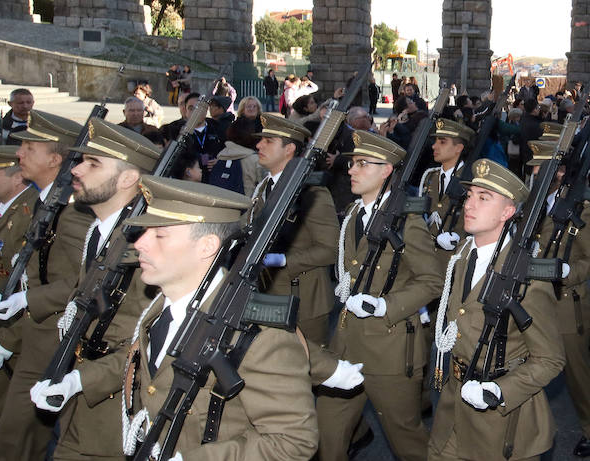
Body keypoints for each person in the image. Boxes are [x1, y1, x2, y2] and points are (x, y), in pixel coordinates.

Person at [117, 176, 320, 459]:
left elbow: (293, 441)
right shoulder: (156, 309)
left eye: (159, 235)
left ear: (207, 246)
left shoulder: (258, 336)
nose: (140, 244)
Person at [26, 118, 161, 460]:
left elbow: (143, 344)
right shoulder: (100, 232)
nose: (79, 169)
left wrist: (80, 381)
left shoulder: (144, 247)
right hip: (78, 397)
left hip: (114, 409)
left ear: (129, 178)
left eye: (93, 163)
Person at [316, 130, 443, 461]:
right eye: (352, 164)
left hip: (390, 349)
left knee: (406, 437)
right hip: (346, 343)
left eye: (361, 164)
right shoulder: (355, 214)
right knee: (328, 432)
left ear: (386, 169)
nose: (351, 170)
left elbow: (432, 280)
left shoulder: (407, 222)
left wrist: (386, 305)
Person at [428, 158, 565, 460]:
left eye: (483, 197)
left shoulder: (525, 277)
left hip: (501, 426)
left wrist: (501, 391)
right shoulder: (462, 256)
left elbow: (550, 359)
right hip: (452, 407)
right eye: (469, 195)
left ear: (508, 212)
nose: (469, 204)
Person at [0, 111, 95, 460]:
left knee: (14, 442)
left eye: (29, 148)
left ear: (55, 159)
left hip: (53, 340)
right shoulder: (44, 202)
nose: (19, 154)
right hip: (33, 336)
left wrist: (24, 303)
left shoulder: (70, 210)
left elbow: (85, 278)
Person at [528, 141, 590, 457]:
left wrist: (567, 271)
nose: (534, 172)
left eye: (541, 167)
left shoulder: (579, 209)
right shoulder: (529, 204)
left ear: (560, 172)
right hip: (531, 302)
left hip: (566, 304)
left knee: (577, 372)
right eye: (533, 166)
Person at [251, 114, 339, 345]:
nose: (259, 145)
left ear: (289, 148)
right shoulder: (263, 188)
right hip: (265, 293)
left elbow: (330, 249)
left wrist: (284, 260)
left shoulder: (312, 193)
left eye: (268, 141)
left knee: (307, 369)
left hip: (303, 300)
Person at [0, 145, 36, 436]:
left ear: (17, 177)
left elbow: (27, 284)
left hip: (10, 332)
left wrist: (8, 338)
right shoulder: (8, 209)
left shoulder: (28, 212)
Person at [419, 119, 475, 247]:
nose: (434, 146)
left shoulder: (471, 181)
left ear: (459, 148)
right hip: (426, 253)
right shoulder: (430, 176)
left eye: (442, 142)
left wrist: (459, 238)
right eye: (435, 141)